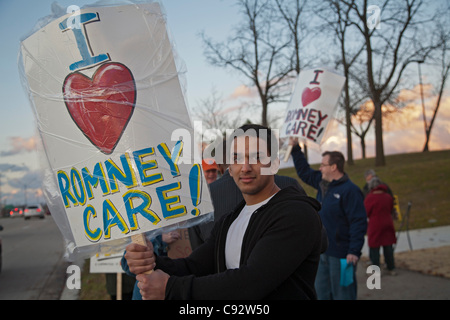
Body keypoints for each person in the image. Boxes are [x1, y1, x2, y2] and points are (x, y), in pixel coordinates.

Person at [125, 124, 324, 300]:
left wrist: (172, 289)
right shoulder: (230, 220)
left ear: (274, 163)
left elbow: (250, 283)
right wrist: (152, 260)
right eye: (236, 158)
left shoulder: (296, 213)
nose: (245, 167)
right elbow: (193, 266)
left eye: (256, 157)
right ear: (228, 167)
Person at [189, 139, 319, 251]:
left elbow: (197, 247)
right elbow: (318, 239)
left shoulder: (200, 197)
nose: (246, 168)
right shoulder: (289, 184)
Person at [290, 138, 367, 300]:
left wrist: (353, 250)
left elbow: (358, 222)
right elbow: (304, 172)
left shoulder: (350, 191)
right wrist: (296, 149)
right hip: (322, 252)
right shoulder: (322, 183)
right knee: (321, 294)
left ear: (333, 167)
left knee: (343, 295)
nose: (320, 168)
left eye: (323, 165)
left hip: (342, 256)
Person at [364, 177, 397, 275]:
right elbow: (391, 208)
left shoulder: (369, 198)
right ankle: (391, 267)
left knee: (374, 247)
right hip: (388, 222)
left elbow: (366, 212)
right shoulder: (388, 196)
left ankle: (375, 270)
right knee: (388, 246)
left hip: (375, 223)